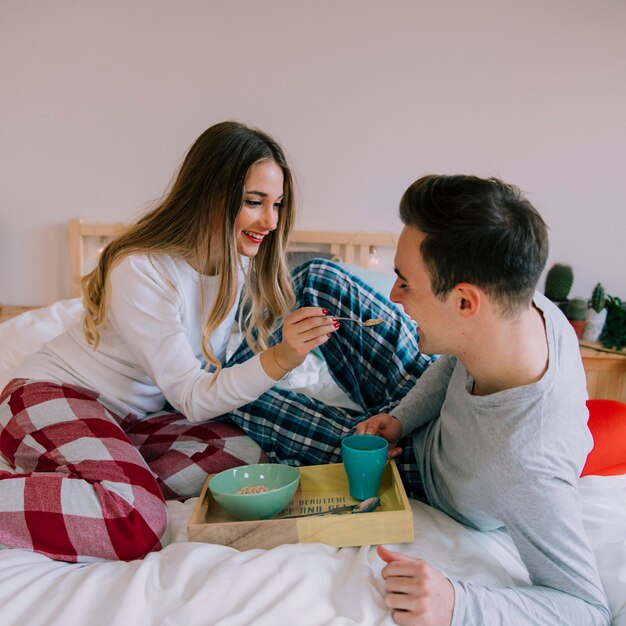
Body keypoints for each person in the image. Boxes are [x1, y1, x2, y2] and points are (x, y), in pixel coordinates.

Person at [0, 121, 431, 563]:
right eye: (253, 202)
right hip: (53, 395)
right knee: (134, 520)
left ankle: (84, 473)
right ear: (209, 196)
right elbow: (191, 396)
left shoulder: (238, 262)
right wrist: (281, 357)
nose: (271, 221)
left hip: (132, 419)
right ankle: (88, 482)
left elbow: (217, 378)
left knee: (255, 455)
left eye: (277, 204)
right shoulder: (141, 269)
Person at [357, 175, 611, 626]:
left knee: (268, 408)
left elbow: (588, 609)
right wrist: (399, 418)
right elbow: (457, 361)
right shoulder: (522, 306)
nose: (392, 296)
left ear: (464, 302)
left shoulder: (527, 465)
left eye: (404, 283)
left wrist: (459, 604)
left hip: (423, 475)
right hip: (426, 420)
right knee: (318, 276)